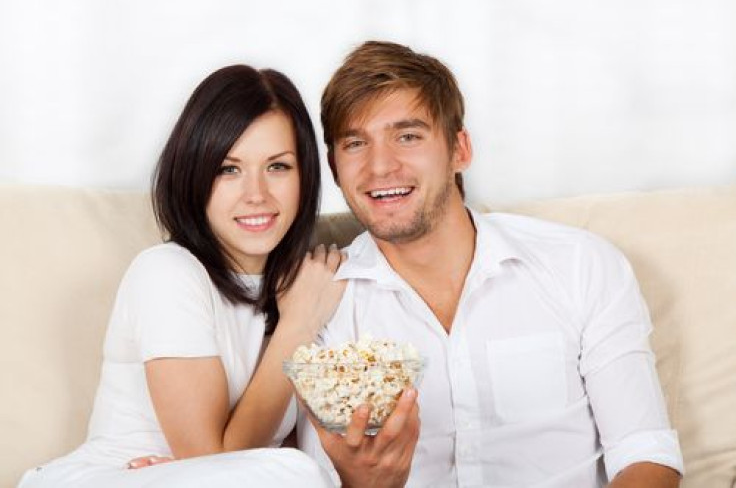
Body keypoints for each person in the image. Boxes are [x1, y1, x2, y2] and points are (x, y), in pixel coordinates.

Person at [297, 41, 685, 487]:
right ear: (333, 167)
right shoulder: (320, 304)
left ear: (459, 150)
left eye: (408, 136)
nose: (380, 165)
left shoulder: (581, 265)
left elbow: (645, 455)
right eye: (355, 143)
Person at [18, 64, 345, 488]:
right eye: (229, 169)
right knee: (299, 475)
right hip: (111, 478)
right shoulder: (167, 274)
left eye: (278, 167)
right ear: (194, 175)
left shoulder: (303, 284)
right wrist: (297, 327)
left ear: (305, 176)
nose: (256, 194)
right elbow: (211, 461)